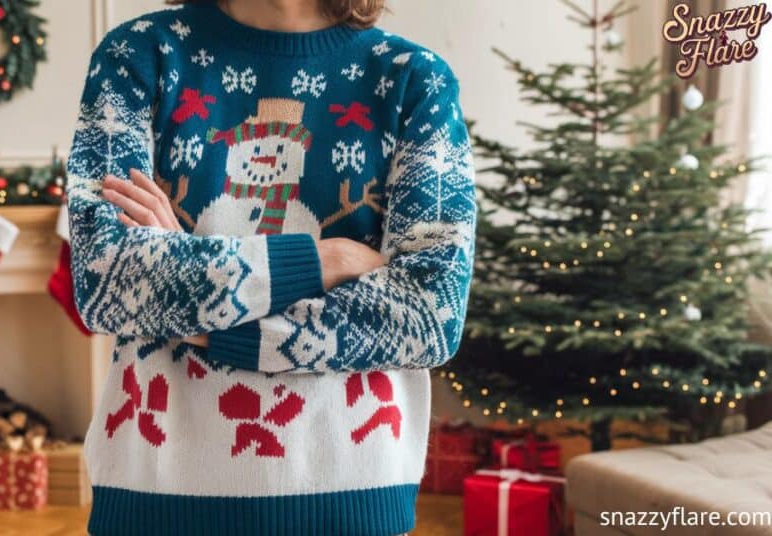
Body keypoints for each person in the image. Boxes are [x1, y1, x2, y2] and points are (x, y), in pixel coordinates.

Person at [66, 0, 475, 534]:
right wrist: (326, 258)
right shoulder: (139, 55)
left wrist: (198, 313)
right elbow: (108, 281)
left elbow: (428, 314)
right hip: (155, 490)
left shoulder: (413, 80)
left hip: (353, 498)